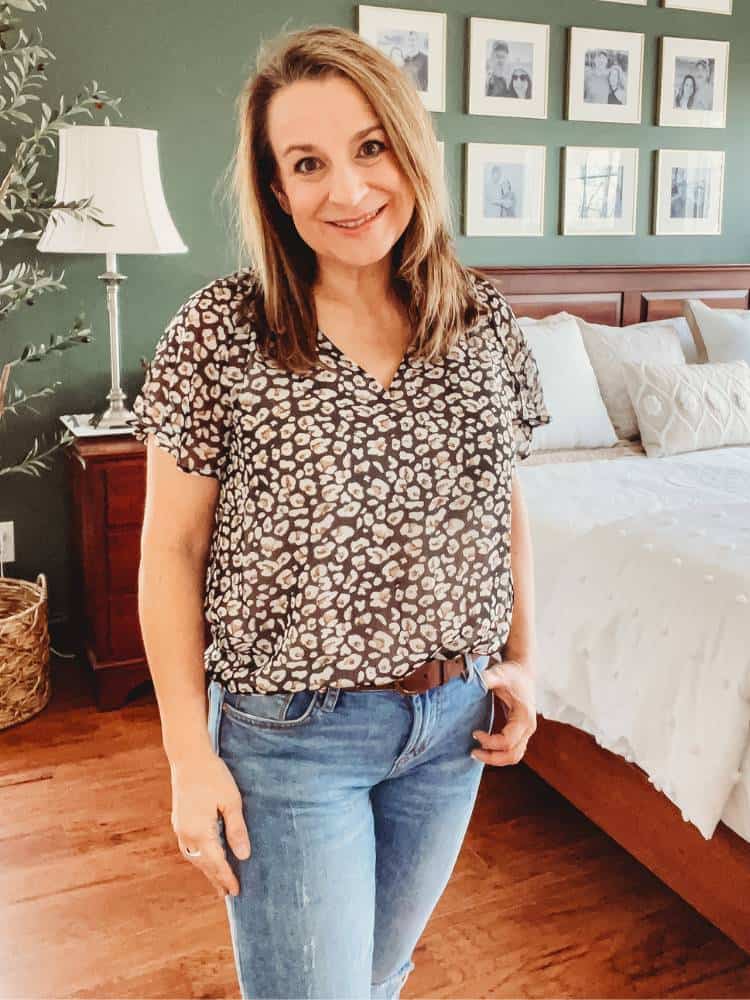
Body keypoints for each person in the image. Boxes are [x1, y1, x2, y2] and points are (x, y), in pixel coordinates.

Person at [129, 23, 550, 1000]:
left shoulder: (480, 319)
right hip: (291, 737)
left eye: (371, 148)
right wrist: (188, 756)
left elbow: (504, 501)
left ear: (409, 148)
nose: (350, 191)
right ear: (276, 189)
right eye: (308, 163)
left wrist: (527, 655)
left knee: (378, 976)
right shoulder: (222, 333)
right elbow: (170, 551)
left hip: (455, 725)